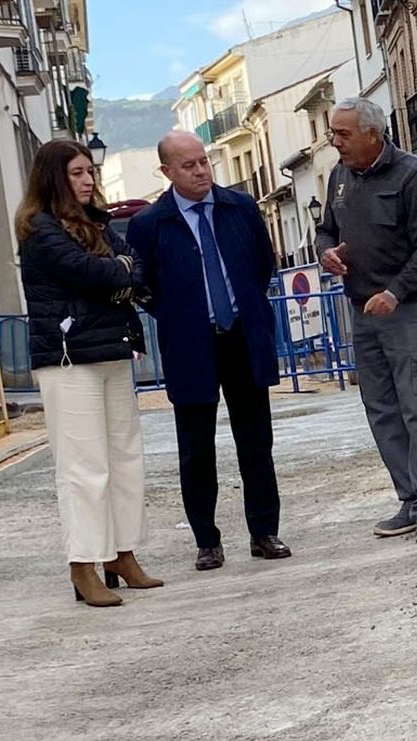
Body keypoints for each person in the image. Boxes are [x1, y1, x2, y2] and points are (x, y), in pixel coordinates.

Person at [126, 132, 290, 572]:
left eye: (204, 162)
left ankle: (264, 532)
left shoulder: (240, 208)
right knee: (196, 447)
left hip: (242, 336)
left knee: (256, 440)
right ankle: (206, 540)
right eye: (188, 166)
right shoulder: (149, 224)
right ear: (166, 172)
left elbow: (263, 265)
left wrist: (242, 308)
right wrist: (181, 315)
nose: (200, 171)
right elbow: (143, 287)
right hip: (190, 344)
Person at [16, 139, 161, 608]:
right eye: (77, 173)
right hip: (67, 358)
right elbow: (85, 272)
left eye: (89, 172)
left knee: (124, 457)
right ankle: (83, 565)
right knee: (83, 467)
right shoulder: (38, 229)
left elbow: (134, 269)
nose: (88, 180)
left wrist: (116, 272)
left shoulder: (96, 221)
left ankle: (122, 553)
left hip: (113, 349)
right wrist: (114, 272)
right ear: (55, 177)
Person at [315, 97, 417, 543]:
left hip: (405, 309)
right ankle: (409, 499)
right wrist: (326, 252)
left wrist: (395, 292)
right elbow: (326, 229)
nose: (335, 143)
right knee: (381, 410)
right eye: (333, 133)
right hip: (361, 312)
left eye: (343, 134)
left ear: (373, 134)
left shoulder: (414, 174)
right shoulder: (339, 178)